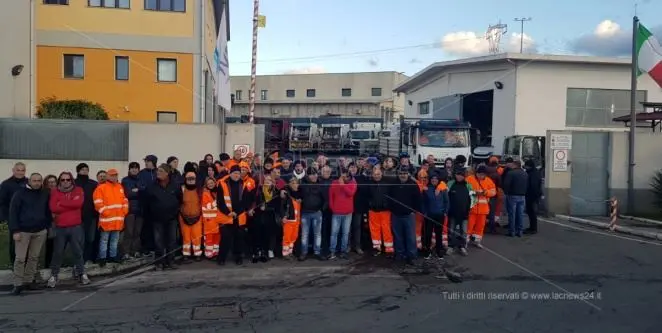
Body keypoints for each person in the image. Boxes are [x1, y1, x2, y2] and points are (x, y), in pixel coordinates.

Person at [8, 173, 50, 295]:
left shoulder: (44, 194)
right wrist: (15, 230)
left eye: (39, 180)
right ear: (29, 181)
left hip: (40, 231)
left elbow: (48, 211)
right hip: (23, 231)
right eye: (34, 180)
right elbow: (13, 212)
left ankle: (28, 280)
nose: (37, 183)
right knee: (20, 258)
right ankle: (17, 284)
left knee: (34, 257)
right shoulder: (20, 194)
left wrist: (47, 226)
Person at [47, 172, 90, 288]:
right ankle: (54, 275)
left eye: (68, 179)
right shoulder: (55, 191)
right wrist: (70, 204)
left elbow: (78, 203)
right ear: (59, 181)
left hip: (75, 226)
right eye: (62, 180)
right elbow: (53, 207)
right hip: (60, 227)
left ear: (72, 180)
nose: (65, 182)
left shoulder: (78, 190)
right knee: (58, 252)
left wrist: (61, 203)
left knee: (78, 252)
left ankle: (82, 273)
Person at [142, 164, 182, 270]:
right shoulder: (152, 186)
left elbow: (180, 199)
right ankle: (159, 262)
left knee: (172, 240)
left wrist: (175, 211)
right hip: (157, 218)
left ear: (167, 173)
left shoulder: (175, 185)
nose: (158, 173)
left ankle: (171, 261)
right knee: (158, 241)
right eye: (157, 171)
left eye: (160, 171)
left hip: (172, 218)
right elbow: (146, 202)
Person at [93, 169, 129, 266]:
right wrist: (106, 212)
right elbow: (97, 203)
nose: (114, 177)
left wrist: (125, 210)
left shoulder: (119, 187)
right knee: (104, 240)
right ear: (108, 176)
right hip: (106, 220)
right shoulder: (101, 188)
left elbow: (124, 200)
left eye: (116, 175)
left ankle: (113, 257)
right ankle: (103, 258)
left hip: (117, 220)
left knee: (114, 240)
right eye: (112, 175)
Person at [388, 167, 422, 265]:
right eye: (401, 173)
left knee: (410, 236)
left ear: (408, 174)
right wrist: (392, 209)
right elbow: (389, 198)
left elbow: (418, 200)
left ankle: (412, 256)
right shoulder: (393, 184)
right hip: (396, 215)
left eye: (405, 173)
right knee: (398, 236)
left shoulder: (413, 185)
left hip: (409, 215)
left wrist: (414, 211)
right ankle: (400, 254)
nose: (403, 175)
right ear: (398, 174)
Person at [217, 165, 249, 265]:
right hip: (226, 216)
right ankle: (222, 258)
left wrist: (237, 212)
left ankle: (238, 257)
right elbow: (220, 201)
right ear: (230, 173)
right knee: (225, 238)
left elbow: (245, 201)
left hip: (239, 217)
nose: (237, 175)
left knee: (239, 238)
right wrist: (228, 212)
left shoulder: (243, 184)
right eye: (235, 173)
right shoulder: (222, 184)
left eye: (238, 173)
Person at [0, 162, 28, 266]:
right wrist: (6, 217)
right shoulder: (6, 184)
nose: (20, 172)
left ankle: (26, 263)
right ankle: (14, 263)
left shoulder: (28, 182)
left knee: (27, 241)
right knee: (15, 241)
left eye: (22, 170)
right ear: (13, 170)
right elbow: (1, 202)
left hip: (27, 218)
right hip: (13, 218)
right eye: (18, 170)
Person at [328, 168, 357, 260]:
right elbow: (331, 197)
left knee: (345, 233)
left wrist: (343, 185)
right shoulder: (334, 183)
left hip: (348, 213)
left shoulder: (353, 183)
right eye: (343, 175)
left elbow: (350, 193)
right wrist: (333, 208)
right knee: (334, 233)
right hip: (336, 212)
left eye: (347, 176)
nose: (345, 177)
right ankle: (332, 251)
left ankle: (343, 252)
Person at [466, 166, 497, 248]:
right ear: (476, 173)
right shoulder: (469, 179)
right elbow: (465, 189)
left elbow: (493, 192)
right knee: (469, 226)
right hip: (472, 208)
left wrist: (485, 192)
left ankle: (477, 241)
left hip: (483, 210)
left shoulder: (489, 180)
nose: (481, 176)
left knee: (480, 227)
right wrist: (473, 192)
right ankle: (465, 241)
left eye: (483, 175)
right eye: (480, 174)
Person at [74, 163, 99, 263]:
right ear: (78, 171)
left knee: (90, 238)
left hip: (91, 216)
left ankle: (88, 258)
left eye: (86, 169)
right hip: (77, 216)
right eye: (82, 169)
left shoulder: (93, 183)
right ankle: (79, 260)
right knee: (79, 240)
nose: (84, 171)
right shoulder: (74, 184)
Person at [447, 167, 475, 256]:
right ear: (455, 175)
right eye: (458, 174)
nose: (459, 177)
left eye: (461, 175)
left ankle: (462, 246)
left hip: (464, 214)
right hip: (452, 213)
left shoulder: (468, 185)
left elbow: (473, 199)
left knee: (464, 231)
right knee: (451, 230)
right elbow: (446, 198)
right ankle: (450, 246)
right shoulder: (450, 184)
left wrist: (468, 209)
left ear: (464, 176)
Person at [299, 167, 325, 261]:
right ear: (308, 175)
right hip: (305, 213)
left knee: (317, 234)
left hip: (317, 213)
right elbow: (296, 194)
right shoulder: (302, 184)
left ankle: (317, 252)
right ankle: (304, 252)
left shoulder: (320, 184)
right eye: (311, 174)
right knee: (304, 234)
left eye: (315, 174)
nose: (314, 176)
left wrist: (321, 209)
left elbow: (325, 198)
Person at [366, 167, 394, 256]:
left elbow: (391, 195)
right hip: (373, 211)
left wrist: (388, 204)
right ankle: (376, 248)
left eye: (378, 174)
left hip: (385, 211)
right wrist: (370, 204)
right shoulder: (369, 184)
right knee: (374, 230)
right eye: (375, 174)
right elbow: (366, 196)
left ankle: (389, 249)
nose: (376, 176)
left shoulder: (387, 183)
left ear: (381, 174)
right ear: (372, 175)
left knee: (387, 229)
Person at [253, 175, 280, 262]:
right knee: (261, 233)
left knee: (272, 233)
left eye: (269, 180)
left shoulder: (275, 191)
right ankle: (261, 250)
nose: (267, 182)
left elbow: (277, 204)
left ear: (272, 182)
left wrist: (267, 207)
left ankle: (270, 250)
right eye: (266, 180)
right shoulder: (259, 190)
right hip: (261, 215)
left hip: (272, 214)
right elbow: (256, 201)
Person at [421, 173, 449, 259]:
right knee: (428, 234)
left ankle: (439, 251)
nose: (434, 180)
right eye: (432, 178)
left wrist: (445, 212)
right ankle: (427, 251)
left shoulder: (443, 189)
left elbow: (446, 202)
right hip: (429, 215)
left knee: (438, 234)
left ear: (438, 180)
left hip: (440, 215)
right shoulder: (426, 189)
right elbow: (423, 202)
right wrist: (424, 212)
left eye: (436, 179)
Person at [179, 171, 203, 261]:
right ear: (185, 179)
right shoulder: (182, 189)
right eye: (189, 179)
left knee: (197, 236)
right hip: (184, 217)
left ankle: (197, 254)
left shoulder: (199, 189)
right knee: (186, 236)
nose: (191, 180)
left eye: (192, 179)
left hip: (197, 216)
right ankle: (186, 254)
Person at [121, 162, 143, 259]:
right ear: (129, 169)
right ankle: (126, 252)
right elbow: (127, 194)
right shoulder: (125, 180)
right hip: (129, 209)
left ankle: (136, 251)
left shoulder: (141, 179)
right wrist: (138, 191)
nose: (134, 169)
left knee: (137, 232)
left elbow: (144, 191)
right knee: (129, 232)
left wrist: (137, 190)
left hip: (140, 209)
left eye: (136, 168)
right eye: (132, 168)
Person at [138, 154, 158, 255]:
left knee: (156, 226)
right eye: (145, 161)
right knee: (145, 227)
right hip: (145, 204)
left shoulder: (158, 172)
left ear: (153, 162)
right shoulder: (141, 173)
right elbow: (140, 187)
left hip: (157, 204)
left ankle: (155, 246)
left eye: (148, 161)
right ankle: (146, 247)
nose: (146, 163)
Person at [503, 160, 529, 237]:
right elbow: (527, 185)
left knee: (512, 214)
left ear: (514, 165)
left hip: (512, 195)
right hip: (522, 196)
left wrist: (506, 192)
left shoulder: (510, 173)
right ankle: (520, 231)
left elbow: (506, 184)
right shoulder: (525, 173)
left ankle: (512, 231)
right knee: (520, 214)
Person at [349, 162, 368, 255]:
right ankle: (347, 246)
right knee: (347, 228)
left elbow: (365, 191)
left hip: (358, 207)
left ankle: (357, 246)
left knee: (357, 227)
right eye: (351, 167)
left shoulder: (361, 178)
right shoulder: (344, 178)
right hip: (346, 207)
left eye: (355, 167)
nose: (353, 169)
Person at [280, 177, 301, 260]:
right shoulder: (286, 194)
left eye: (295, 183)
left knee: (294, 237)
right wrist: (283, 216)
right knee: (287, 237)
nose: (294, 184)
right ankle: (285, 254)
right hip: (288, 220)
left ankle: (290, 252)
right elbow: (282, 207)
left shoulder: (299, 194)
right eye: (292, 183)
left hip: (296, 220)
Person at [201, 177, 222, 259]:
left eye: (212, 183)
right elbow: (207, 206)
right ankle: (209, 254)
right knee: (209, 239)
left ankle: (215, 253)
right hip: (209, 221)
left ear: (215, 183)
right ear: (206, 185)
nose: (210, 184)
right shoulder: (205, 193)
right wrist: (217, 202)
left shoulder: (217, 192)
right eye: (209, 183)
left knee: (217, 238)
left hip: (217, 220)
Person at [42, 174, 58, 271]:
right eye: (49, 182)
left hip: (59, 221)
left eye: (53, 182)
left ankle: (56, 263)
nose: (52, 184)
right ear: (46, 183)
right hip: (49, 222)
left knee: (59, 244)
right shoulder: (43, 193)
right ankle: (48, 265)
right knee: (50, 243)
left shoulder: (59, 192)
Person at [524, 160, 542, 234]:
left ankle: (533, 228)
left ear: (529, 166)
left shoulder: (532, 174)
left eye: (526, 166)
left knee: (532, 212)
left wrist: (532, 195)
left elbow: (533, 185)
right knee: (531, 212)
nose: (525, 167)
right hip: (534, 195)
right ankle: (532, 227)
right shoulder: (535, 172)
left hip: (532, 196)